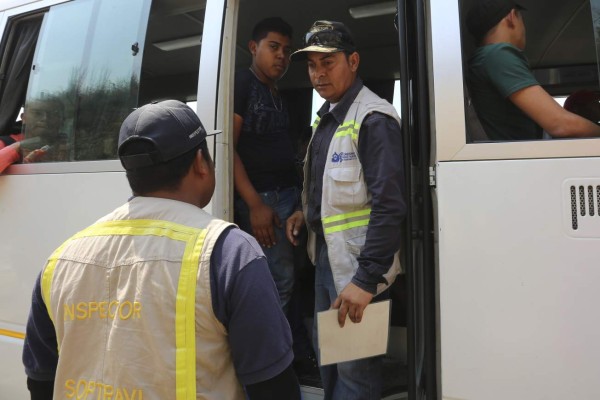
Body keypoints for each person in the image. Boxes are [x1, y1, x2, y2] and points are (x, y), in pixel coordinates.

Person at [22, 100, 300, 400]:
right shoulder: (228, 253)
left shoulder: (61, 260)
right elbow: (273, 387)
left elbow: (40, 383)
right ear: (200, 163)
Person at [287, 21, 406, 400]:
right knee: (331, 364)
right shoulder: (328, 117)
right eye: (311, 66)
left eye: (328, 62)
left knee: (355, 372)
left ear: (353, 61)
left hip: (358, 267)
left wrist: (366, 280)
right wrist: (303, 212)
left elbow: (390, 206)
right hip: (327, 258)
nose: (318, 74)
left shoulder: (373, 119)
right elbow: (333, 187)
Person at [233, 17, 299, 313]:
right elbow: (227, 149)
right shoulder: (243, 83)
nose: (281, 56)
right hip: (264, 200)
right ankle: (271, 355)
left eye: (286, 50)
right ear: (253, 47)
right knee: (277, 282)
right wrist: (254, 204)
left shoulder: (276, 93)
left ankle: (291, 348)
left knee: (291, 279)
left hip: (288, 197)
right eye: (273, 47)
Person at [466, 0, 600, 140]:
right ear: (511, 16)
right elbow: (560, 124)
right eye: (521, 18)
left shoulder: (483, 58)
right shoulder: (497, 54)